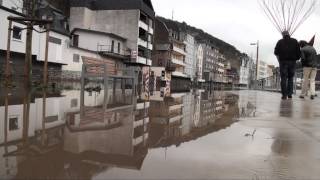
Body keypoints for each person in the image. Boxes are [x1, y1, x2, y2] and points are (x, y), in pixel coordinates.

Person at [274, 31, 301, 100]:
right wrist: (296, 58)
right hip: (292, 62)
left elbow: (275, 52)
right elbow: (299, 53)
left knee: (283, 78)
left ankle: (284, 95)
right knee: (290, 78)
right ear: (289, 34)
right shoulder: (295, 41)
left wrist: (280, 57)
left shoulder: (280, 42)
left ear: (283, 35)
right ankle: (290, 94)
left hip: (283, 62)